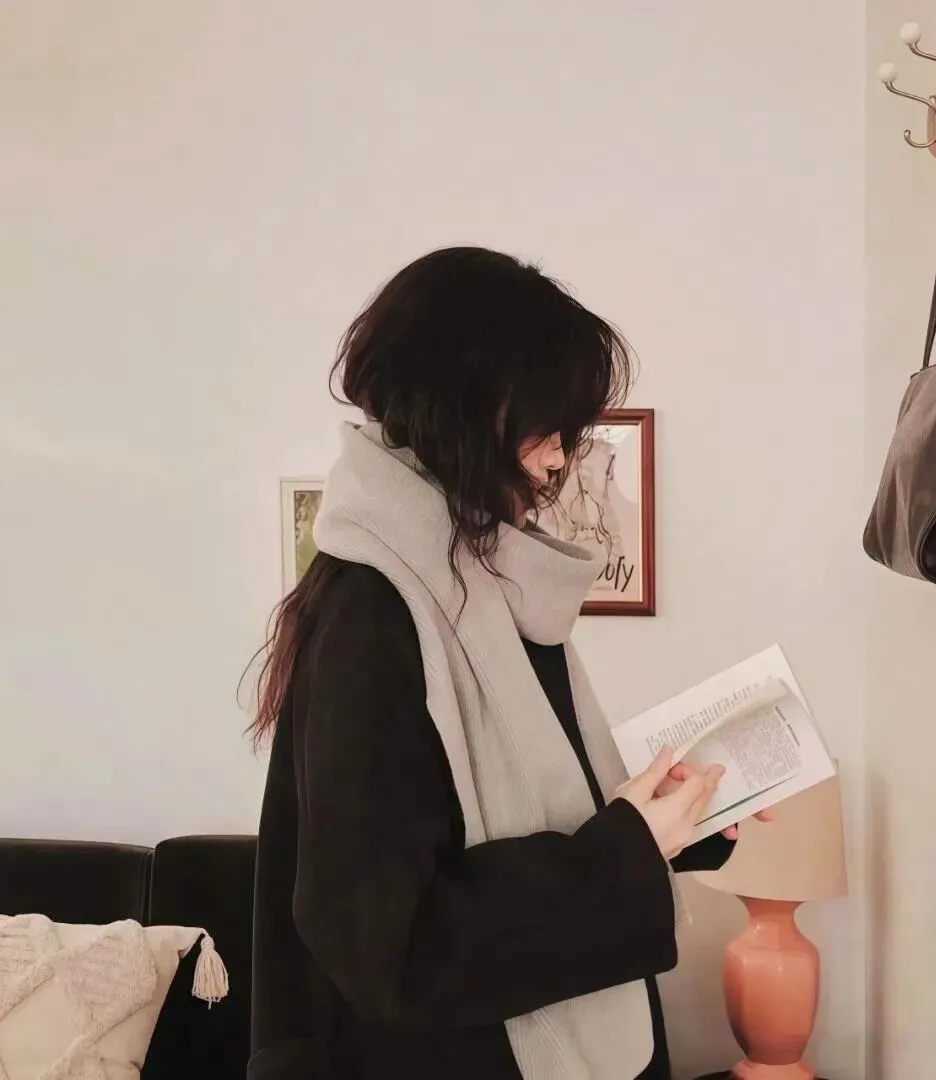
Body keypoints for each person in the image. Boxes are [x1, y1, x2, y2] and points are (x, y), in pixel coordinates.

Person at [247, 247, 762, 1080]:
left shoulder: (475, 582)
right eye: (543, 427)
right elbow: (393, 942)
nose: (558, 459)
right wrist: (628, 848)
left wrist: (669, 827)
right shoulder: (373, 612)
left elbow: (524, 816)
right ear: (466, 407)